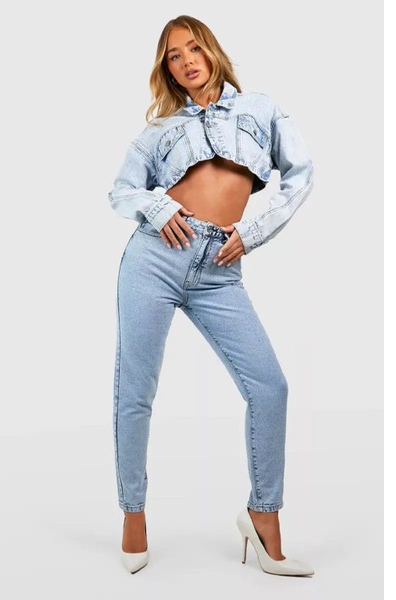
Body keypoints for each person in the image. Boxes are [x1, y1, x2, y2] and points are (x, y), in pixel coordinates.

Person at [108, 15, 315, 576]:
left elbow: (301, 174)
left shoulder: (261, 110)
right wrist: (157, 206)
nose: (186, 62)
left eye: (193, 49)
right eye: (173, 57)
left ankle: (263, 516)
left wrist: (253, 231)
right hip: (154, 258)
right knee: (136, 391)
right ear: (167, 70)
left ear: (212, 51)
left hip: (220, 267)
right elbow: (122, 190)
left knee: (269, 387)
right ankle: (133, 513)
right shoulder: (159, 130)